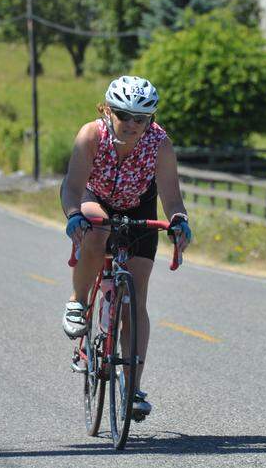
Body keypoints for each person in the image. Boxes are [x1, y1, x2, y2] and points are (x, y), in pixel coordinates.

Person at [59, 75, 193, 419]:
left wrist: (179, 221)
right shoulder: (92, 134)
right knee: (97, 230)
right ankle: (77, 303)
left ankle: (132, 387)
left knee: (137, 297)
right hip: (95, 198)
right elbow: (73, 187)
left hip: (138, 206)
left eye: (142, 118)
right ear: (108, 110)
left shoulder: (159, 143)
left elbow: (171, 196)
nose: (133, 124)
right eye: (124, 115)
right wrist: (74, 215)